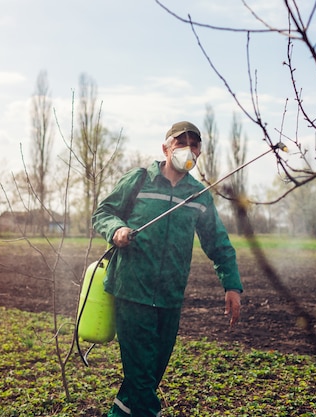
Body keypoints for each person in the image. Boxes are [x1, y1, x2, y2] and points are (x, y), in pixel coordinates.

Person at [92, 121, 243, 417]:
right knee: (143, 381)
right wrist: (117, 229)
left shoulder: (198, 195)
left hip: (169, 299)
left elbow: (218, 243)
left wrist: (232, 285)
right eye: (181, 142)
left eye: (194, 144)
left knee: (143, 381)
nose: (188, 149)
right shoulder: (139, 181)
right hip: (132, 293)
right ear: (165, 147)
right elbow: (103, 213)